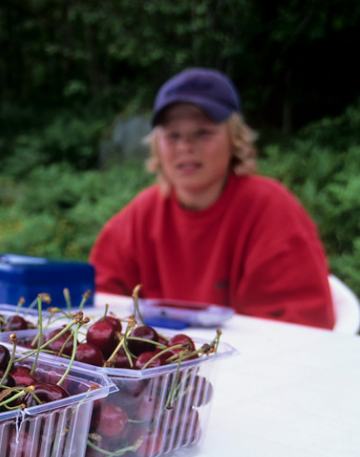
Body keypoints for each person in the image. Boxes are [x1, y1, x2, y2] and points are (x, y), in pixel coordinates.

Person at [89, 68, 335, 329]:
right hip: (159, 365)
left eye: (203, 133)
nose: (185, 146)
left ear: (235, 139)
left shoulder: (271, 208)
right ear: (156, 146)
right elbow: (98, 307)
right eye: (173, 135)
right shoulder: (139, 216)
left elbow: (305, 325)